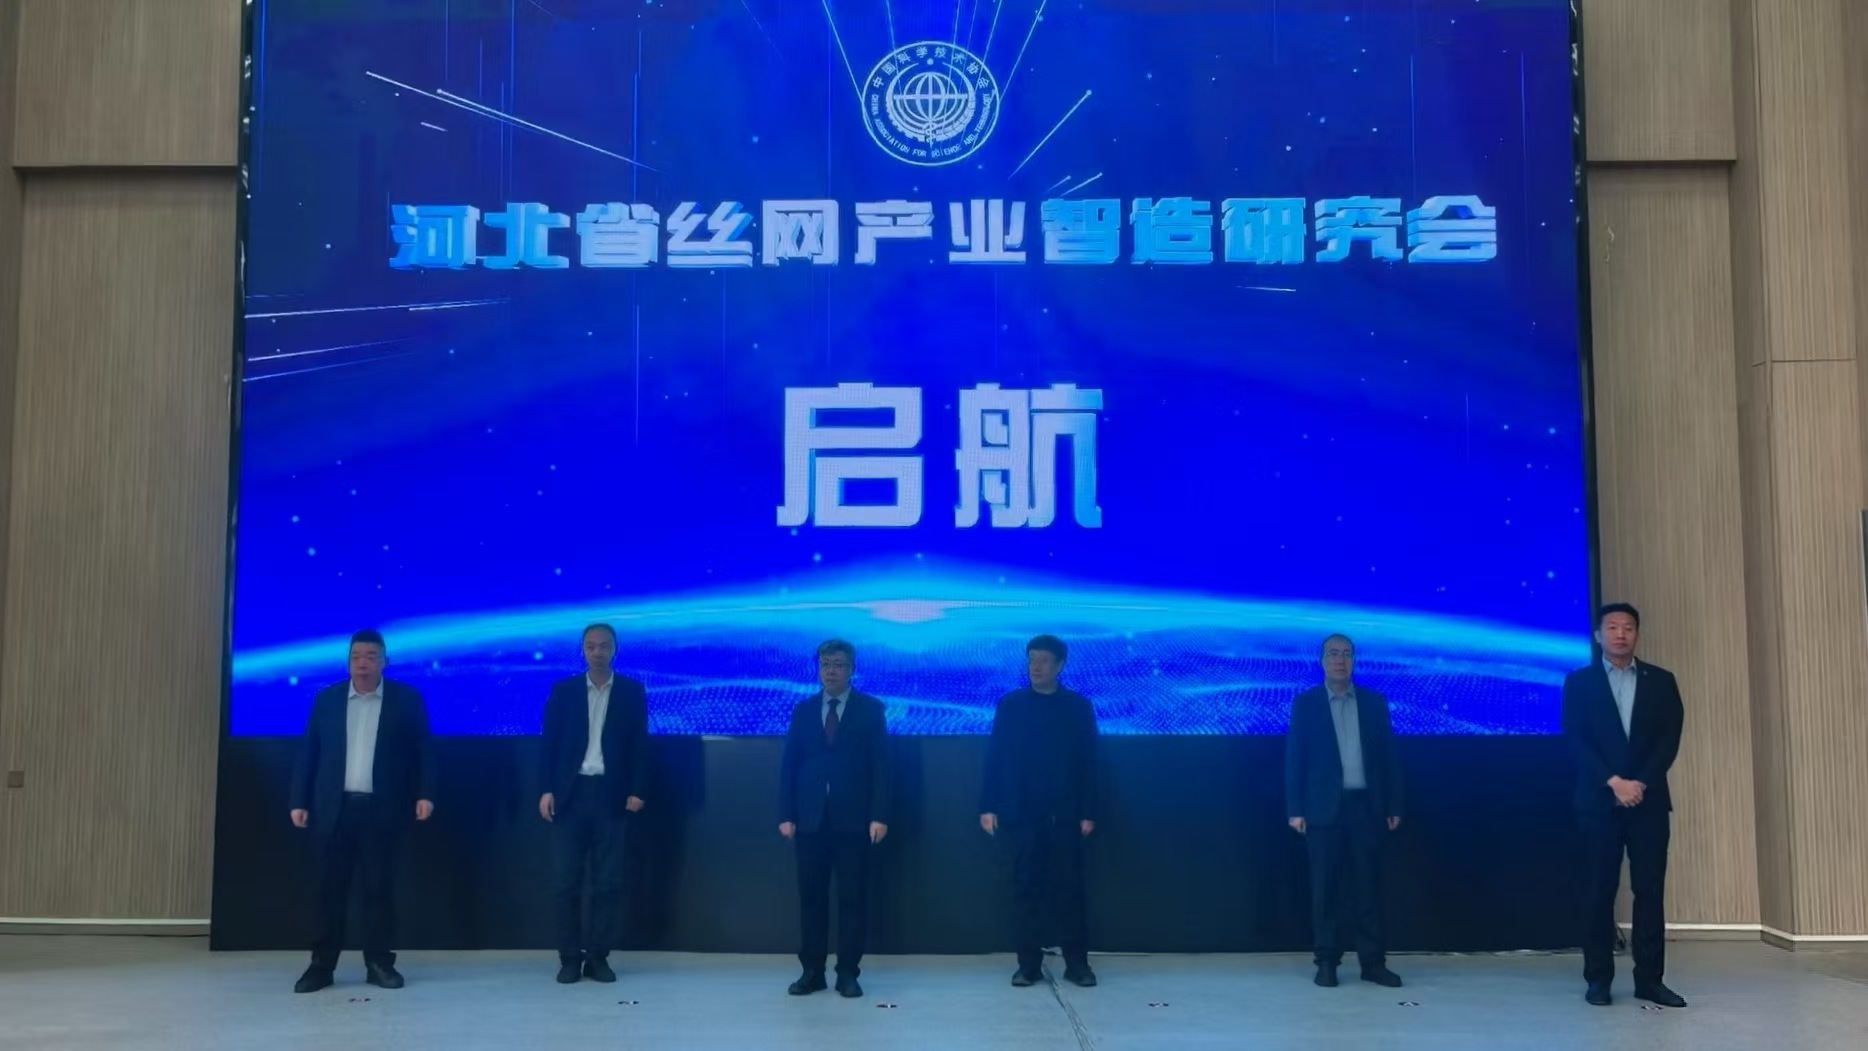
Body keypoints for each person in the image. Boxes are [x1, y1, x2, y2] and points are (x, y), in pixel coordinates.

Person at [288, 629, 435, 993]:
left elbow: (424, 751)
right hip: (333, 810)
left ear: (385, 661)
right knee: (328, 892)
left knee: (378, 890)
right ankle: (321, 966)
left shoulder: (406, 699)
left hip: (382, 809)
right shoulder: (327, 700)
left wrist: (426, 794)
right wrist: (298, 800)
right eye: (356, 657)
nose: (362, 663)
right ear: (348, 661)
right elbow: (309, 753)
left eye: (370, 656)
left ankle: (379, 963)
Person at [1562, 602, 1687, 1008]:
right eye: (1613, 627)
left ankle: (1650, 980)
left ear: (1636, 634)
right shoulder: (1579, 683)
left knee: (1649, 891)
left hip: (1648, 802)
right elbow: (1575, 739)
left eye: (1628, 627)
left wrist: (1640, 783)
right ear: (1599, 636)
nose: (1621, 634)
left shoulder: (1661, 681)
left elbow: (1669, 739)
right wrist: (1613, 782)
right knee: (1598, 892)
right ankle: (1598, 979)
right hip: (1598, 802)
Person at [1284, 634, 1405, 989]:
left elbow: (1389, 758)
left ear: (1354, 660)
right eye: (1333, 654)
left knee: (1368, 889)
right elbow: (1295, 759)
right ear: (1322, 661)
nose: (1340, 660)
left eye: (1347, 654)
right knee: (1326, 891)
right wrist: (1295, 808)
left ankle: (1373, 963)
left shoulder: (1373, 702)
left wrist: (1394, 804)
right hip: (1321, 810)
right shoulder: (1306, 704)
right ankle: (1327, 962)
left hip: (1367, 808)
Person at [979, 635, 1100, 988]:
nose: (1036, 666)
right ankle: (1028, 964)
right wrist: (988, 805)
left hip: (1066, 814)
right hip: (1022, 814)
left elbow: (1090, 762)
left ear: (1059, 665)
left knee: (1070, 891)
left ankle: (1077, 964)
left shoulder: (1078, 707)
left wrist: (1088, 810)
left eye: (1044, 660)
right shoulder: (1011, 705)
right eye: (1032, 659)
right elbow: (995, 758)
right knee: (1026, 888)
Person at [777, 639, 891, 998]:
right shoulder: (803, 710)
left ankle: (847, 973)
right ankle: (812, 972)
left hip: (854, 820)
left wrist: (879, 814)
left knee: (852, 899)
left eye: (838, 664)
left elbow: (881, 766)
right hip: (810, 820)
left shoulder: (870, 710)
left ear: (852, 669)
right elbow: (790, 765)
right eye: (825, 664)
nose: (831, 671)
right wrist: (786, 813)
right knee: (811, 899)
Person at [539, 623, 650, 984]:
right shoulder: (564, 691)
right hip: (570, 796)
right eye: (591, 646)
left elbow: (639, 745)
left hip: (611, 795)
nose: (597, 652)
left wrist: (637, 789)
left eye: (604, 646)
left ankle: (598, 957)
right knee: (565, 882)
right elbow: (549, 744)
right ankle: (569, 958)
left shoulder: (631, 691)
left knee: (608, 883)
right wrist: (546, 789)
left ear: (615, 649)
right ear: (582, 650)